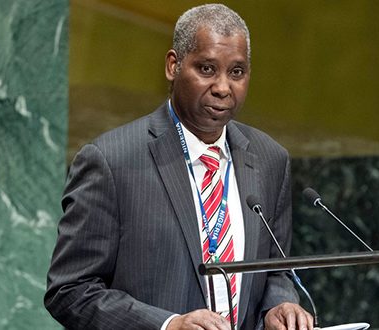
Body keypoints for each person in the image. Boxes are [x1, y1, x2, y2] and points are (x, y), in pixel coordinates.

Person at [45, 4, 313, 330]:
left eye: (237, 72)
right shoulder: (111, 161)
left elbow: (275, 269)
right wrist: (168, 325)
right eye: (207, 69)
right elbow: (70, 290)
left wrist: (279, 305)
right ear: (173, 66)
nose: (223, 87)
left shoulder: (270, 159)